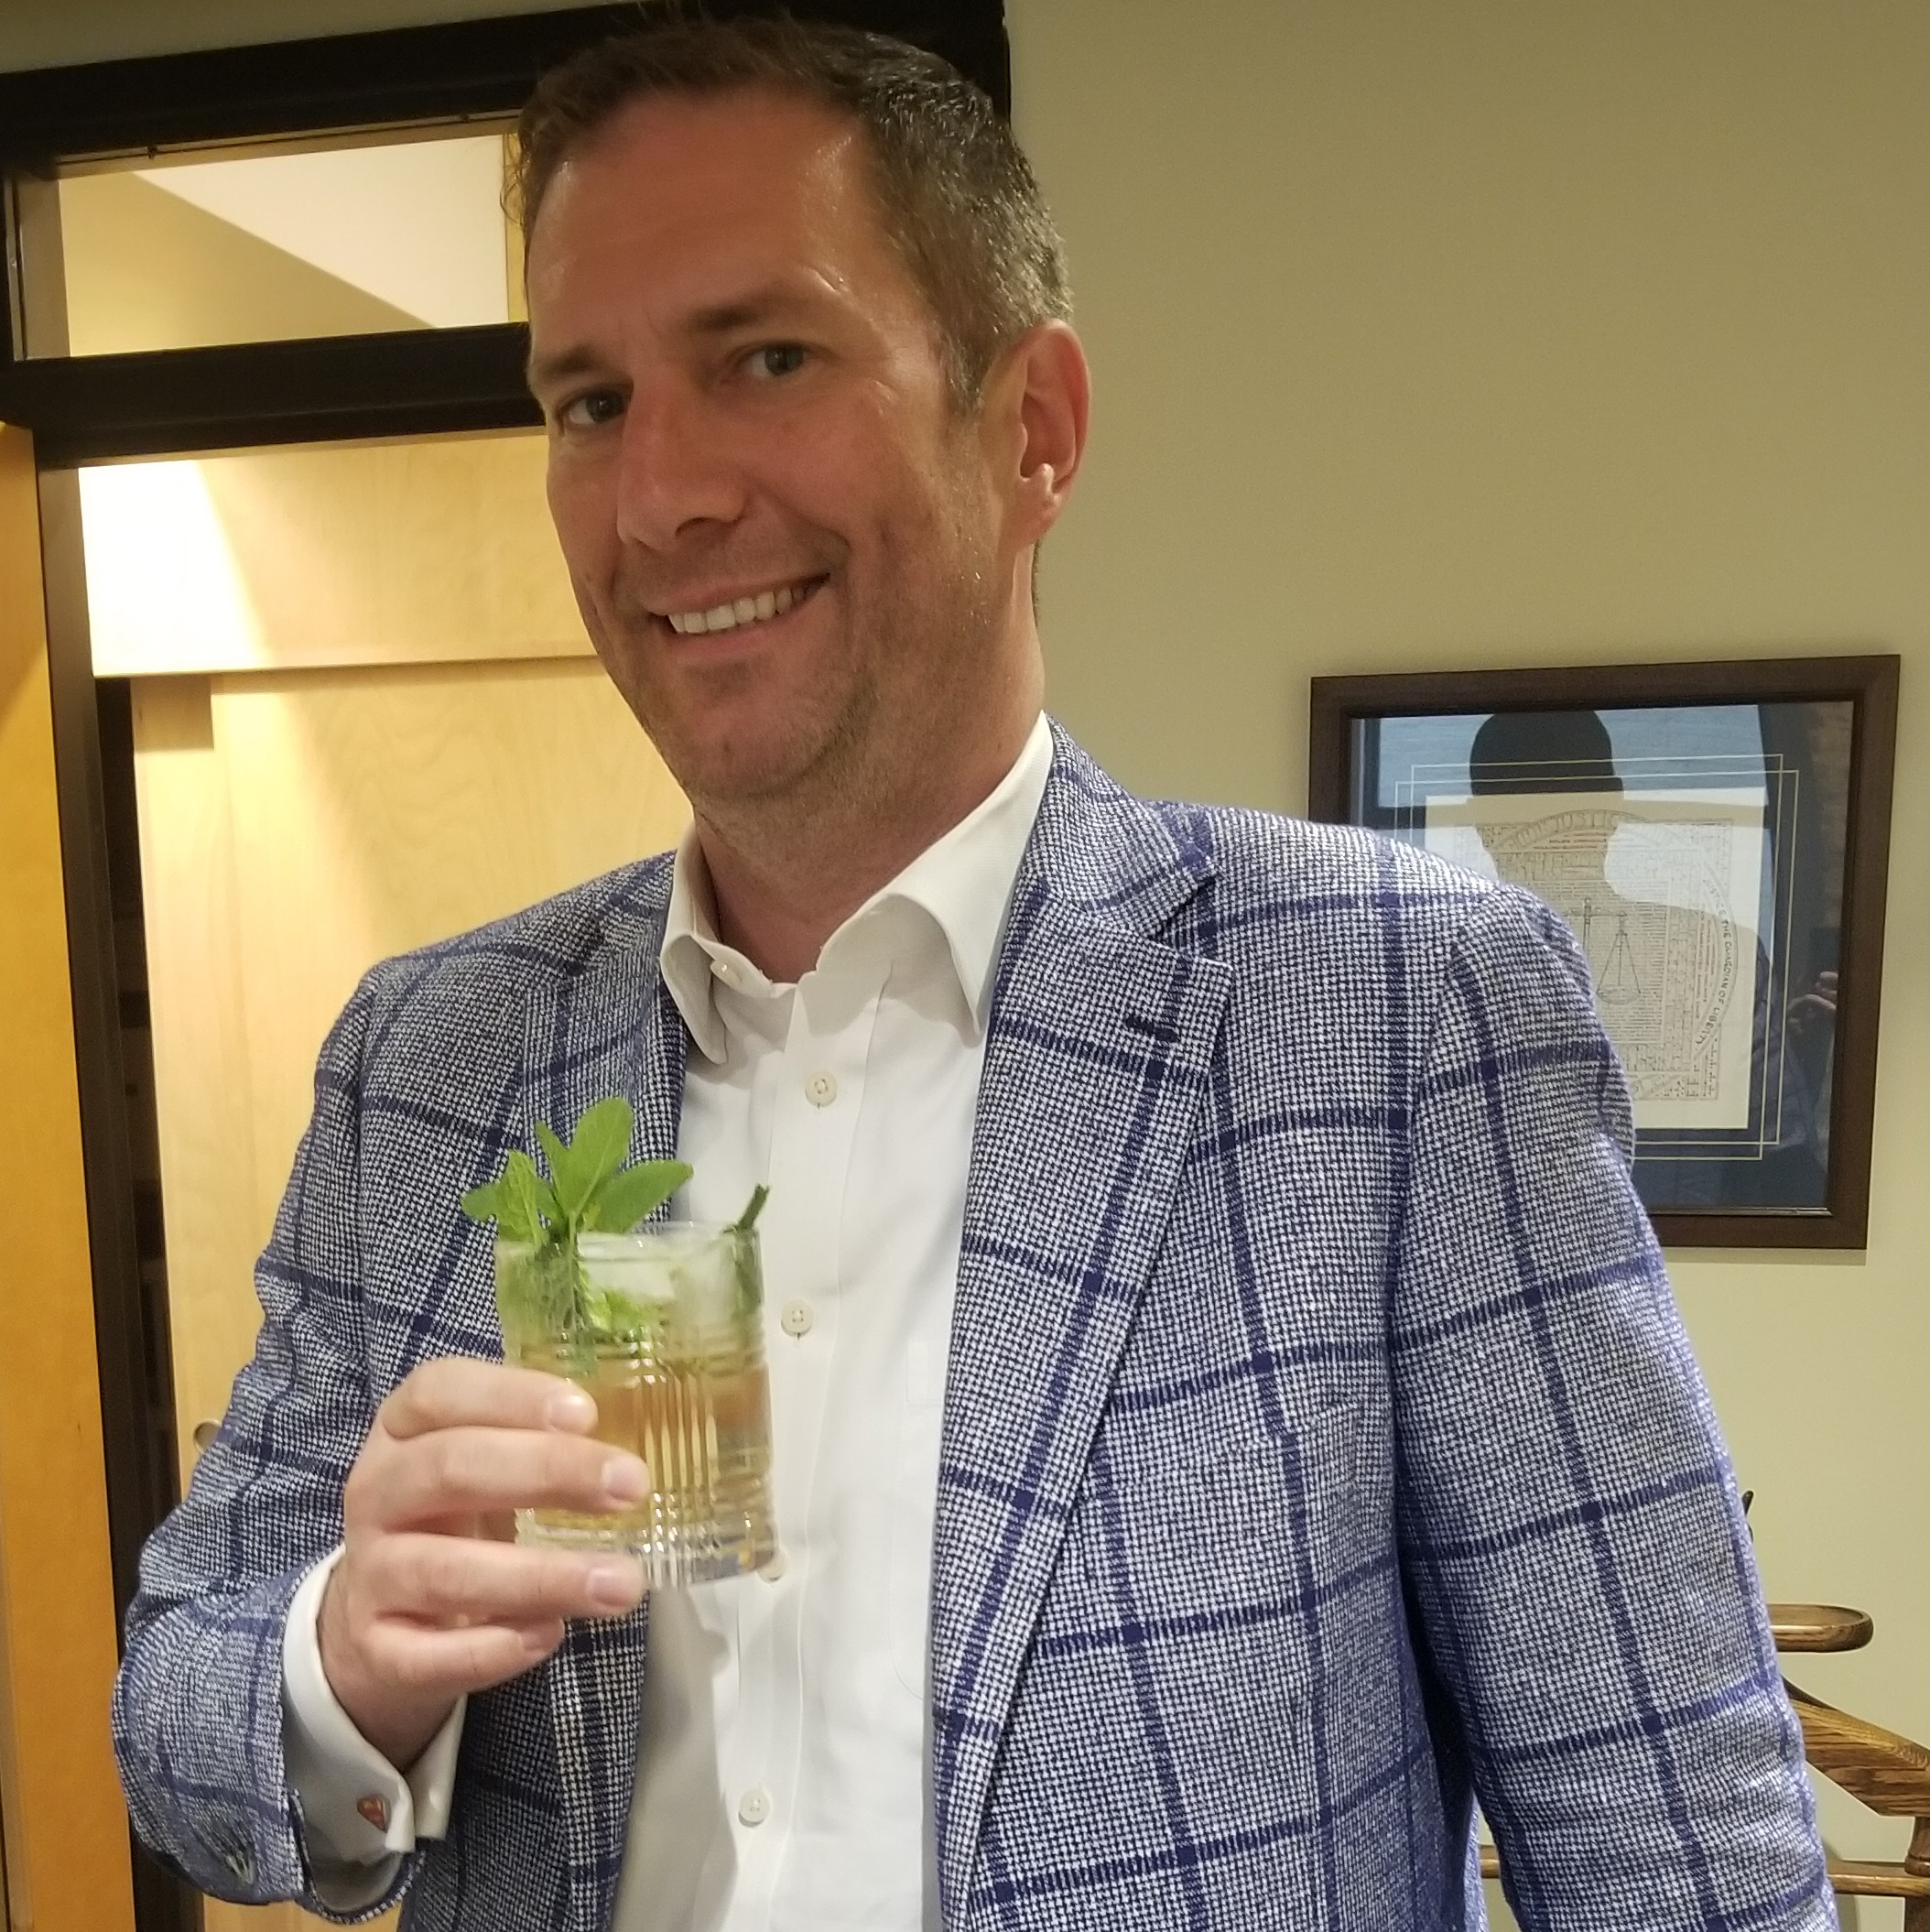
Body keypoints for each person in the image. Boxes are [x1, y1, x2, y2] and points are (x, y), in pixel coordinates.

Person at [112, 18, 1832, 1932]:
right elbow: (178, 1704)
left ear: (1034, 428)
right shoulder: (430, 1056)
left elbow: (1679, 1849)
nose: (658, 496)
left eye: (767, 357)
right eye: (588, 400)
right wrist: (342, 1659)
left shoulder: (1404, 1021)